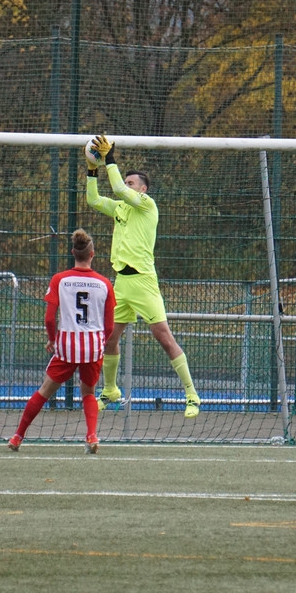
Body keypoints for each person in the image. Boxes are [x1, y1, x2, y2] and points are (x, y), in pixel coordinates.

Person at [85, 135, 201, 418]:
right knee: (109, 338)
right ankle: (110, 390)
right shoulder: (120, 208)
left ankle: (192, 395)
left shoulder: (147, 205)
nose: (126, 186)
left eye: (131, 183)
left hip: (144, 281)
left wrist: (109, 158)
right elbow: (93, 199)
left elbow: (117, 188)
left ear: (143, 189)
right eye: (126, 182)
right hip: (121, 283)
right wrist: (91, 169)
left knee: (163, 336)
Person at [7, 228, 114, 454]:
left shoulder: (60, 280)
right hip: (93, 347)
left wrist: (52, 339)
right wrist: (100, 342)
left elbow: (49, 318)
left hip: (67, 346)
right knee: (88, 393)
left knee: (44, 391)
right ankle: (92, 435)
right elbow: (110, 325)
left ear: (72, 252)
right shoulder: (105, 283)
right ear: (92, 254)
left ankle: (17, 436)